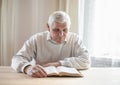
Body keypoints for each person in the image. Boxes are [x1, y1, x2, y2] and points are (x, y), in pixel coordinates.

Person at [11, 11, 90, 78]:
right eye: (56, 30)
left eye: (65, 30)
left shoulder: (75, 39)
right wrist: (27, 68)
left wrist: (58, 64)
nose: (61, 34)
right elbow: (17, 59)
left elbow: (86, 60)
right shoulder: (37, 39)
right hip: (40, 80)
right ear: (48, 27)